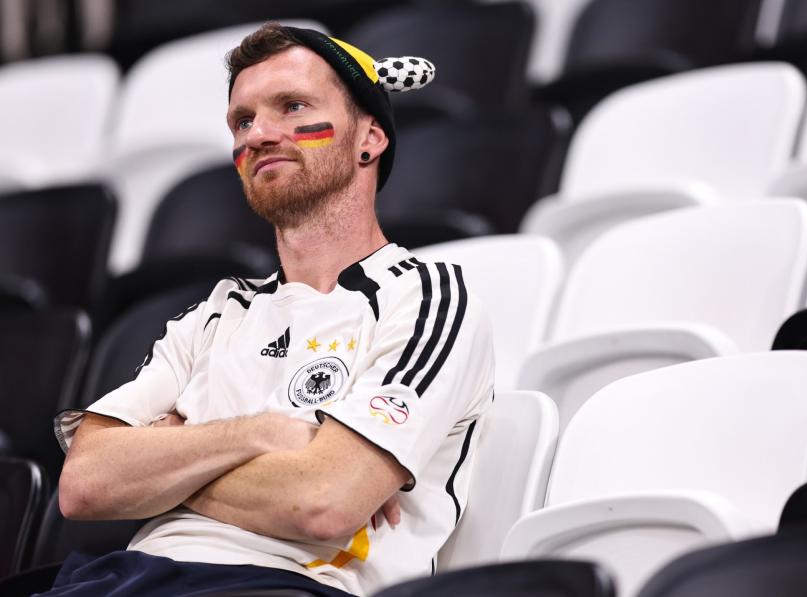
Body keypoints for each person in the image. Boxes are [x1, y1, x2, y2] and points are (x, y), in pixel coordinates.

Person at [43, 23, 494, 597]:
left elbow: (321, 502)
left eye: (292, 106)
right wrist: (260, 434)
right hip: (121, 579)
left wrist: (170, 456)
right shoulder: (218, 311)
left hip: (280, 584)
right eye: (243, 120)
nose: (258, 134)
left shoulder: (426, 297)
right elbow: (84, 484)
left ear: (370, 139)